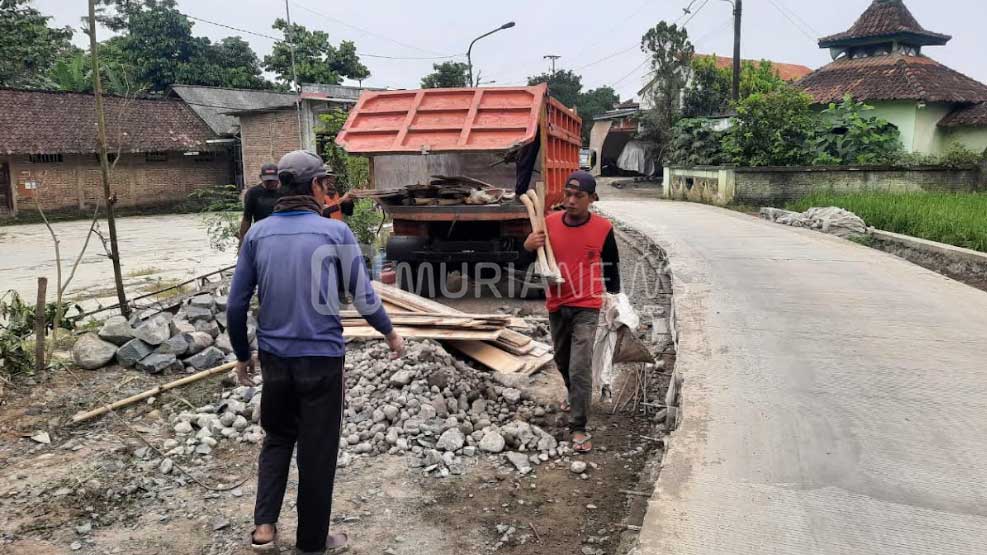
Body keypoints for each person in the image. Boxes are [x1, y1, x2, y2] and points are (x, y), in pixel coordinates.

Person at [227, 150, 405, 554]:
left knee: (276, 438)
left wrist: (242, 353)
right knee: (317, 450)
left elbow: (236, 304)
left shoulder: (257, 235)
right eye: (324, 184)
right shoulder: (335, 233)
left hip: (274, 358)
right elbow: (363, 295)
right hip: (322, 360)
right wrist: (390, 333)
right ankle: (311, 543)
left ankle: (264, 529)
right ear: (313, 187)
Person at [523, 171, 621, 454]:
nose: (571, 200)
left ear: (592, 199)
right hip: (557, 304)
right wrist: (528, 246)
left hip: (587, 306)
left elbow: (612, 268)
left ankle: (579, 426)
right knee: (563, 360)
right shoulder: (549, 224)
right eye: (568, 194)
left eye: (579, 196)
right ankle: (574, 394)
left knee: (580, 366)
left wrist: (616, 301)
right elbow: (527, 257)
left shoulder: (603, 228)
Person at [238, 163, 281, 246]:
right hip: (261, 234)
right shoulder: (253, 193)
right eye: (268, 180)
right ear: (261, 177)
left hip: (280, 234)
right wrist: (242, 241)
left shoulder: (284, 192)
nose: (271, 183)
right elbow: (247, 219)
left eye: (273, 180)